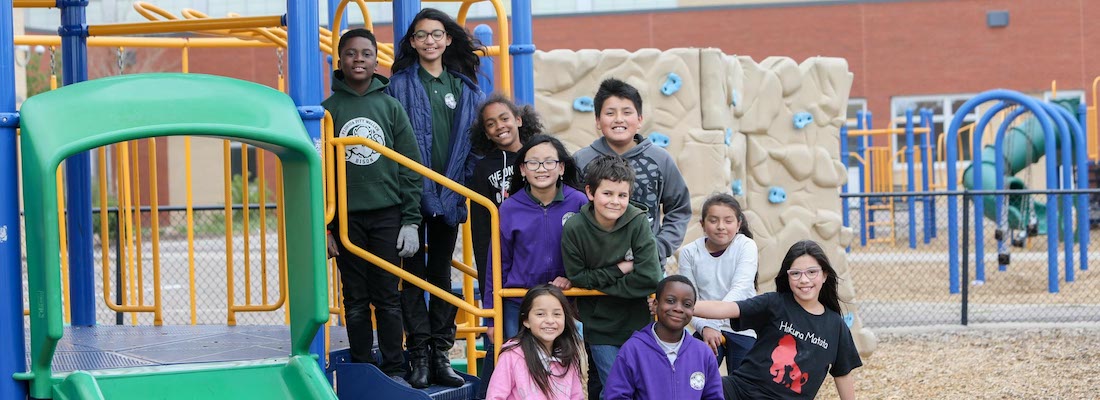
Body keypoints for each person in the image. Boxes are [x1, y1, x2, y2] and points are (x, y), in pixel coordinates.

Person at [386, 7, 486, 388]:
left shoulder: (465, 88)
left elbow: (473, 148)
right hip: (410, 197)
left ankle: (441, 353)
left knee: (441, 275)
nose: (430, 40)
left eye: (437, 34)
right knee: (412, 277)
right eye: (422, 34)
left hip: (449, 196)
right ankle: (419, 356)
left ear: (447, 40)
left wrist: (460, 188)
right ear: (412, 42)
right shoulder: (398, 85)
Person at [321, 28, 421, 387]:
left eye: (365, 53)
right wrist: (325, 228)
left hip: (387, 216)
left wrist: (410, 219)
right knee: (356, 299)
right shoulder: (327, 111)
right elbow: (319, 175)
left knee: (387, 297)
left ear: (376, 60)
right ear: (340, 60)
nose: (358, 59)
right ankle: (364, 367)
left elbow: (409, 164)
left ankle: (394, 369)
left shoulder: (389, 106)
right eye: (351, 53)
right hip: (346, 219)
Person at [692, 240, 862, 400]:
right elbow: (726, 308)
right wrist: (684, 306)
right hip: (740, 391)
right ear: (787, 277)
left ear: (824, 275)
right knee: (693, 387)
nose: (804, 280)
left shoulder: (835, 326)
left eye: (812, 272)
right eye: (795, 273)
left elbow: (843, 374)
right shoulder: (774, 303)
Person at [561, 154, 662, 399]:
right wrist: (620, 269)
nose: (615, 202)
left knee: (642, 387)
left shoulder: (637, 222)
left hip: (638, 322)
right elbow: (578, 278)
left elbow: (649, 277)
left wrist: (601, 285)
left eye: (622, 195)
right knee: (613, 388)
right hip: (600, 325)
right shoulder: (575, 228)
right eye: (607, 194)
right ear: (590, 192)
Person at [573, 78, 691, 268]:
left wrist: (658, 248)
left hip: (645, 269)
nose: (619, 119)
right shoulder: (581, 160)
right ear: (597, 120)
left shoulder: (661, 159)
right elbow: (571, 212)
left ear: (639, 120)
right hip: (593, 269)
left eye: (627, 112)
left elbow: (679, 208)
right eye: (610, 113)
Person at [470, 94, 544, 399]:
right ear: (485, 133)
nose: (499, 126)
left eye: (504, 118)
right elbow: (480, 230)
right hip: (504, 270)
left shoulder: (540, 156)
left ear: (518, 119)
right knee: (502, 343)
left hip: (539, 268)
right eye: (491, 124)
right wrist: (487, 280)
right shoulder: (483, 168)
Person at [485, 134, 586, 341]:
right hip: (519, 302)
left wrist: (572, 278)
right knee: (521, 365)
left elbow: (591, 252)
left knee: (564, 366)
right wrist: (492, 319)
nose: (541, 168)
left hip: (565, 301)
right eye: (533, 163)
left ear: (561, 168)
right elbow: (497, 264)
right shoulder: (509, 208)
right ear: (522, 169)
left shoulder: (579, 203)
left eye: (549, 162)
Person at [602, 275, 723, 400]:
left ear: (693, 310)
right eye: (670, 301)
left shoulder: (703, 353)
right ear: (655, 305)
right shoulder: (633, 350)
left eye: (687, 304)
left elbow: (714, 396)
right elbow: (616, 396)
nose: (678, 309)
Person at [677, 194, 758, 375]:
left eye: (728, 221)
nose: (721, 226)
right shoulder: (689, 253)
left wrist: (713, 322)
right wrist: (705, 327)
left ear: (738, 224)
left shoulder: (746, 246)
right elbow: (689, 299)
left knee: (745, 386)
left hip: (743, 328)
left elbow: (740, 289)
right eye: (713, 220)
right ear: (702, 224)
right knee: (694, 378)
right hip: (704, 326)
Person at [486, 285, 585, 400]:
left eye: (557, 314)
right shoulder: (511, 356)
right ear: (526, 320)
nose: (550, 320)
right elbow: (495, 396)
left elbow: (576, 396)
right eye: (540, 314)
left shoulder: (568, 356)